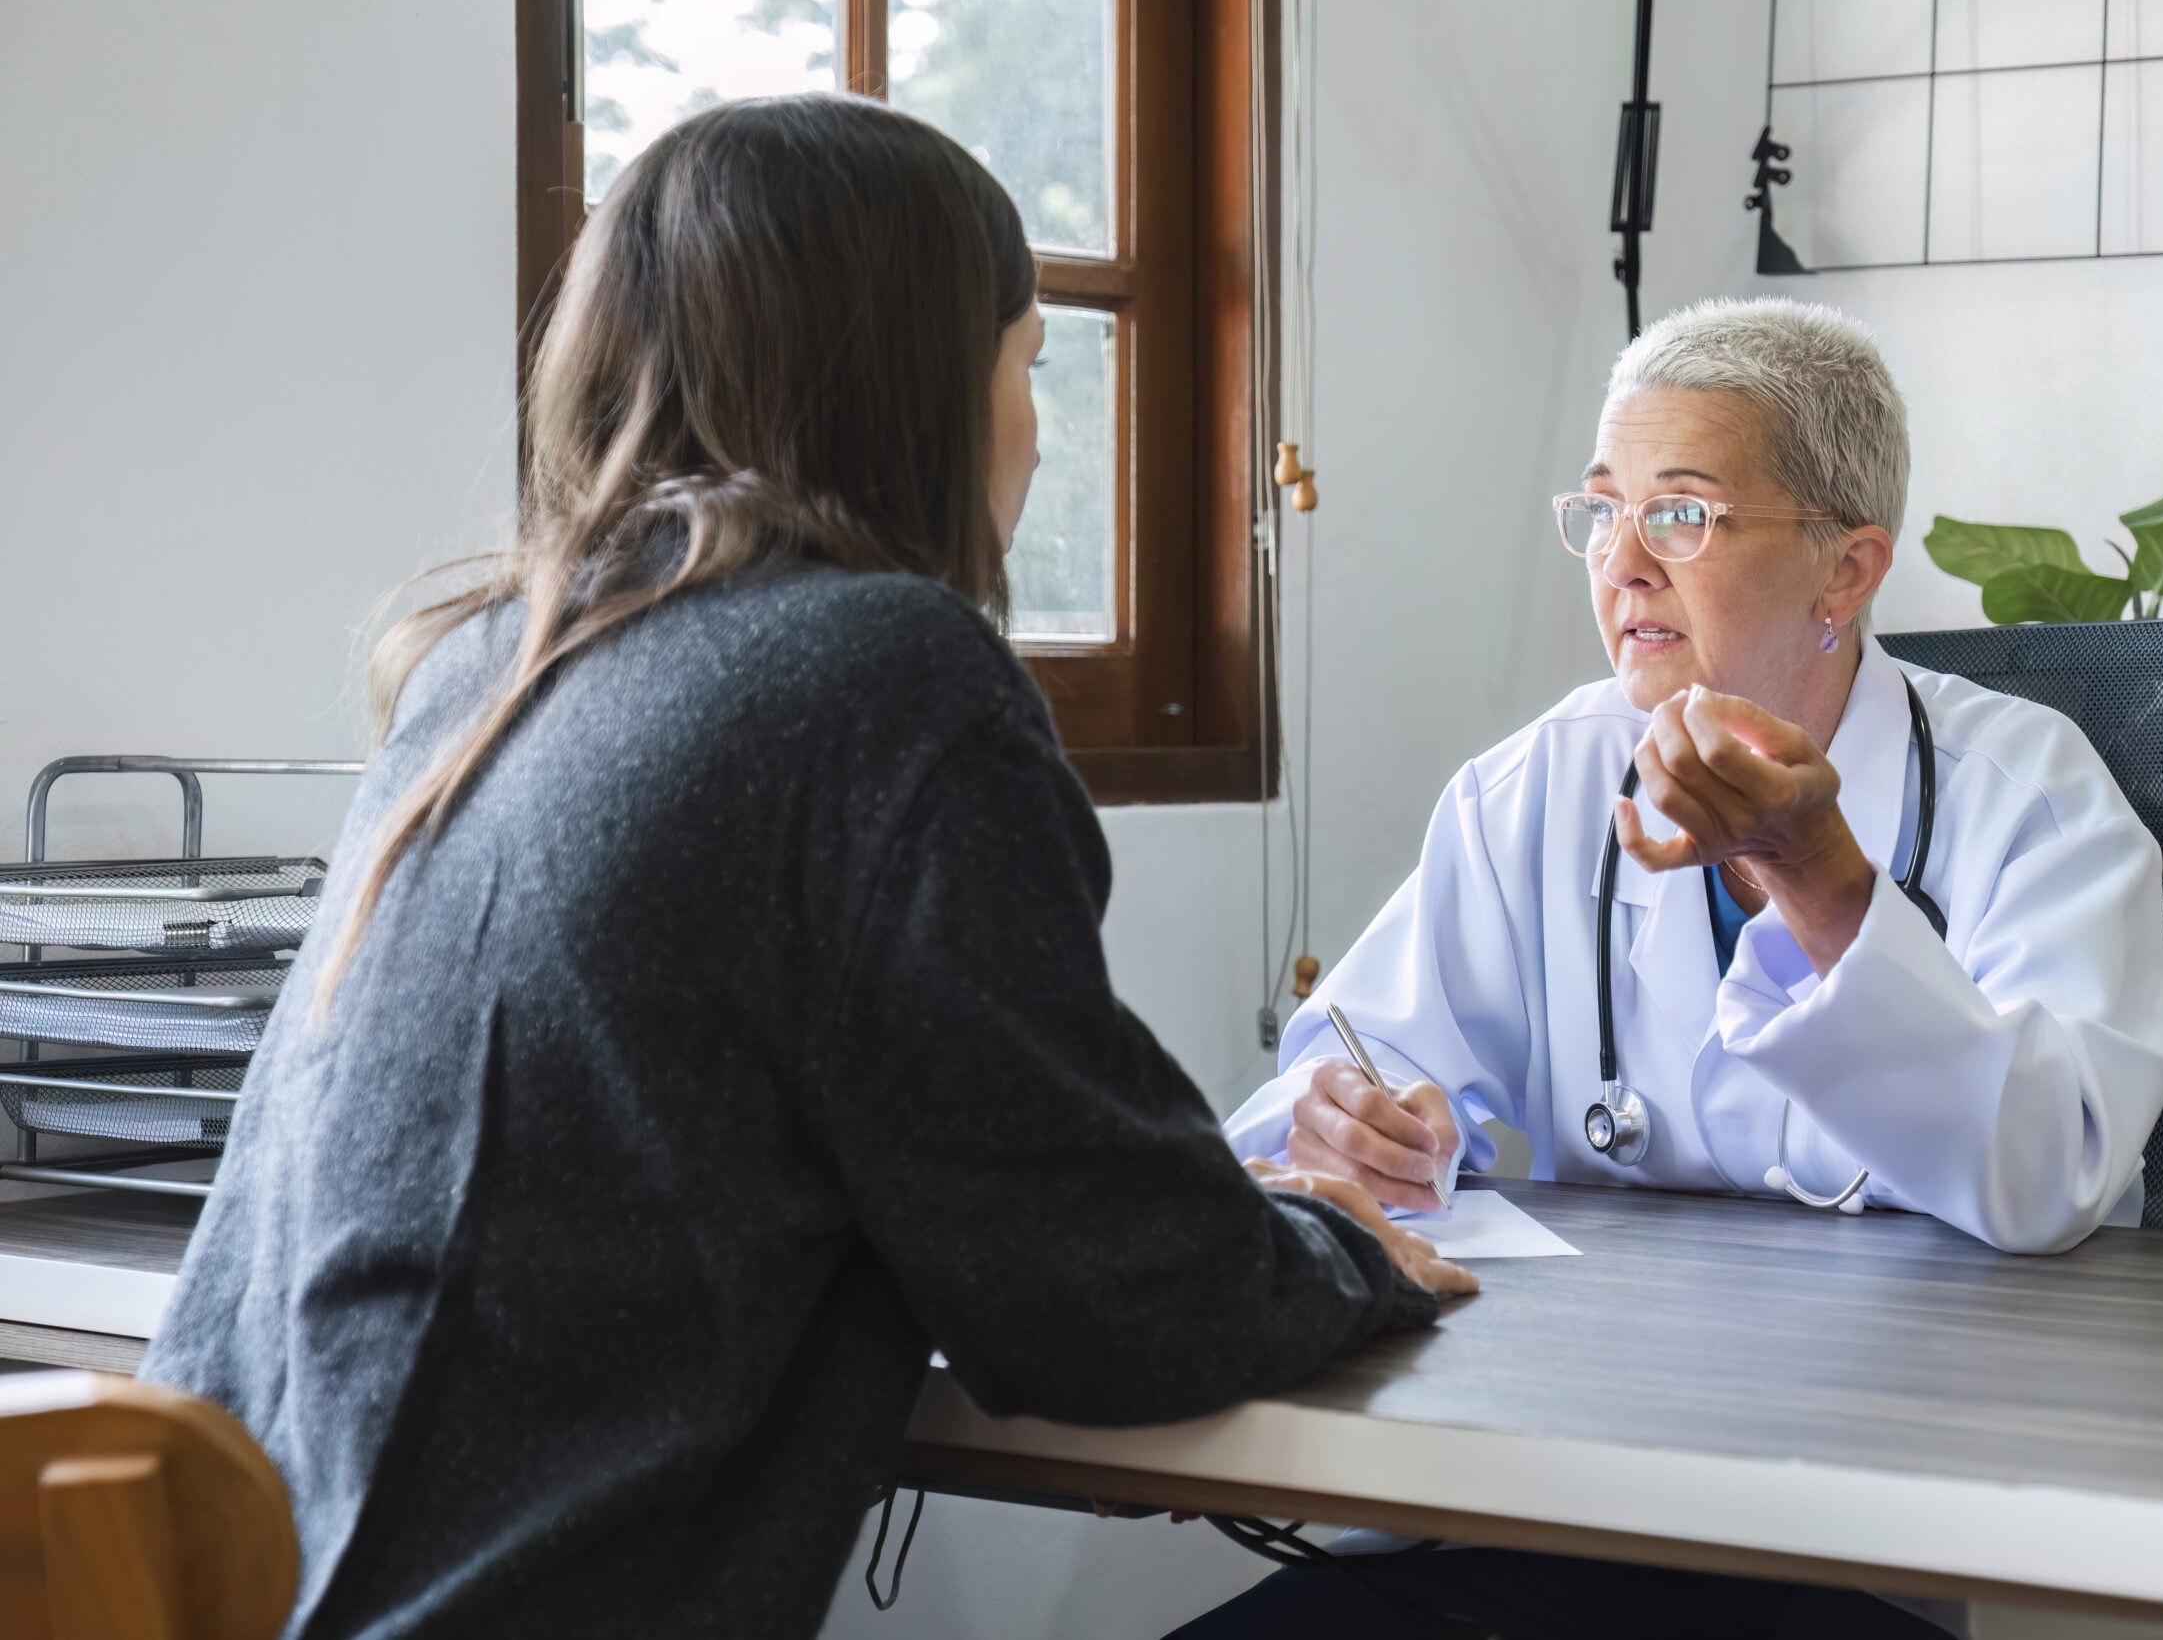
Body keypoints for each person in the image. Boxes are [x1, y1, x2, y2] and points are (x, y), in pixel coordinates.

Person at [138, 93, 1472, 1640]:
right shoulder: (885, 675)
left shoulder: (492, 660)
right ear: (919, 380)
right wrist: (1339, 1250)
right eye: (1029, 361)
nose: (1035, 424)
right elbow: (1116, 1305)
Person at [1180, 299, 2163, 1638]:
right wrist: (1370, 1132)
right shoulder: (1533, 787)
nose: (1625, 565)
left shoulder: (2030, 794)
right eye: (1603, 514)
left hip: (1874, 1519)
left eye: (1685, 515)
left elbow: (2056, 1169)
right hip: (1557, 1485)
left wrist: (1822, 880)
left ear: (1847, 571)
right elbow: (1344, 1082)